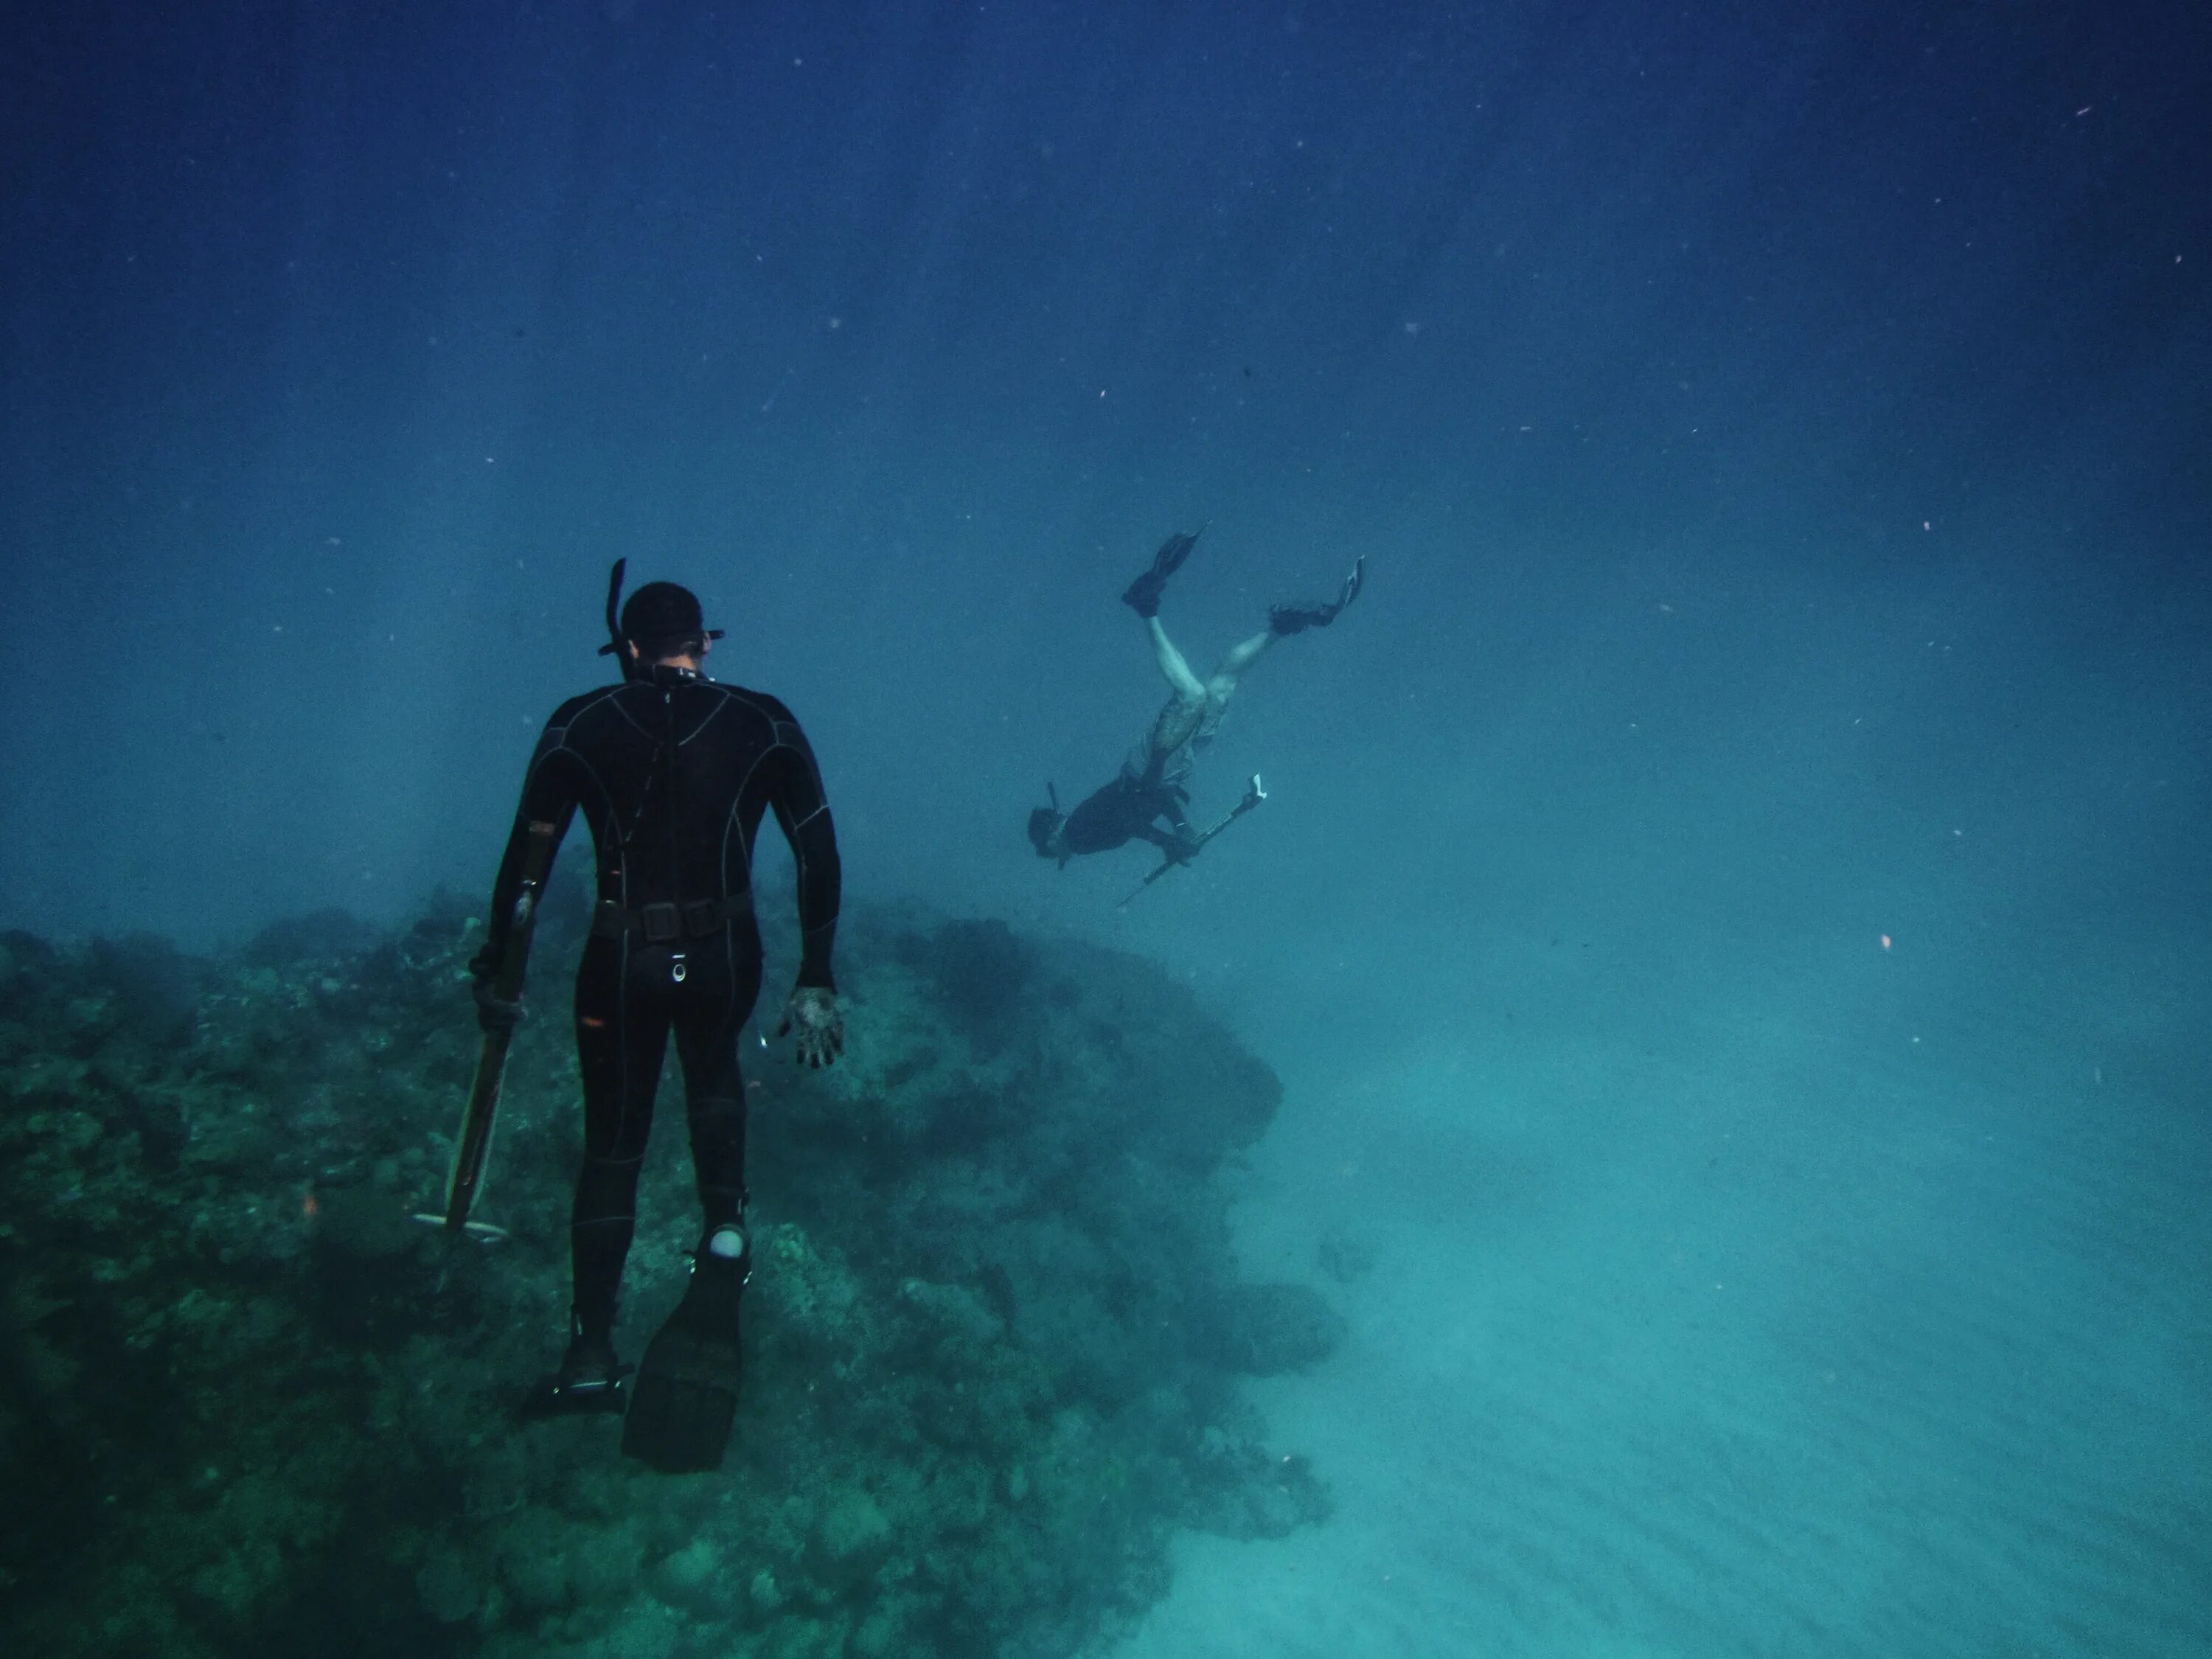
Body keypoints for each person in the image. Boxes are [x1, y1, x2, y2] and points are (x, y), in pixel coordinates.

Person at [471, 566, 843, 1470]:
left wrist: (501, 972)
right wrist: (817, 976)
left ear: (630, 650)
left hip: (621, 960)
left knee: (614, 1145)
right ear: (704, 643)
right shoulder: (764, 720)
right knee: (713, 1075)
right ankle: (723, 1235)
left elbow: (527, 867)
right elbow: (817, 850)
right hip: (726, 955)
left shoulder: (580, 724)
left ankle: (592, 1356)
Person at [1028, 528, 1363, 866]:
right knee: (1221, 688)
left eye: (1047, 849)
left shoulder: (1078, 837)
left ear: (1051, 837)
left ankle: (1145, 605)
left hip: (1151, 768)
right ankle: (1280, 627)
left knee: (1192, 695)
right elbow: (1147, 808)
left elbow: (1128, 820)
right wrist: (1176, 832)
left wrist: (1175, 835)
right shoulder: (1078, 832)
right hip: (1165, 774)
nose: (1055, 854)